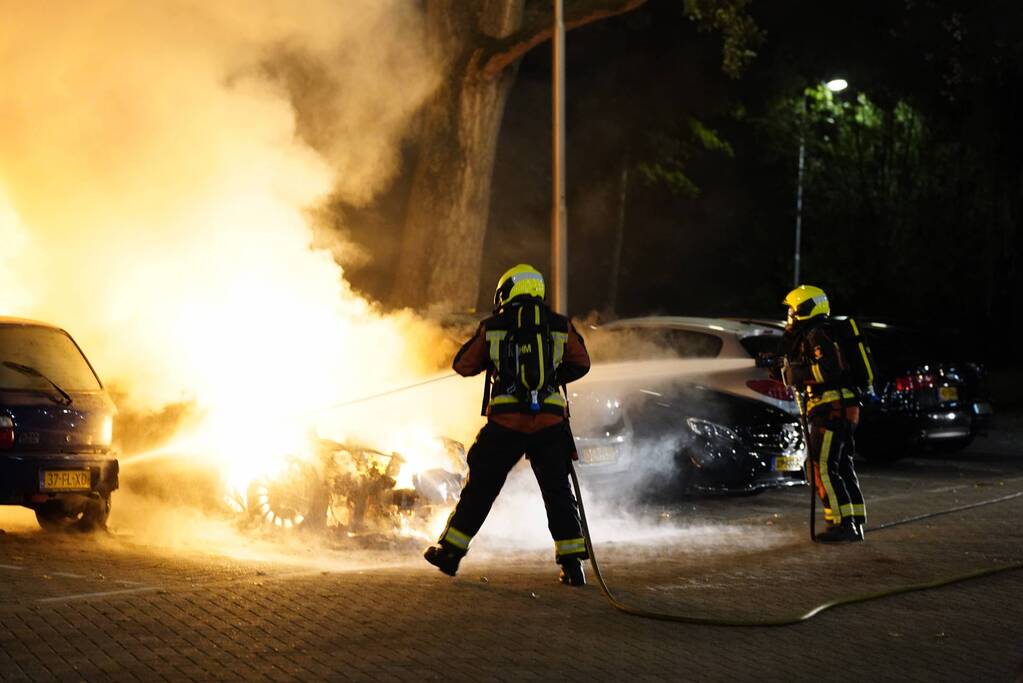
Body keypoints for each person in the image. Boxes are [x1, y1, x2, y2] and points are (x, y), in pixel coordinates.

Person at [424, 264, 592, 585]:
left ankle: (450, 553)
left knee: (481, 489)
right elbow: (582, 363)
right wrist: (552, 376)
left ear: (506, 292)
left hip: (506, 423)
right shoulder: (559, 325)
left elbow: (463, 365)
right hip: (550, 423)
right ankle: (573, 567)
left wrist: (495, 361)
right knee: (558, 492)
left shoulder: (494, 326)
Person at [776, 285, 866, 543]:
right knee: (842, 465)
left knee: (821, 466)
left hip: (830, 411)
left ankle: (841, 525)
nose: (790, 316)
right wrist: (785, 371)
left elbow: (829, 370)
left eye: (792, 310)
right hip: (843, 410)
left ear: (805, 309)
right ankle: (854, 520)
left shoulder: (817, 334)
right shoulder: (822, 332)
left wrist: (796, 373)